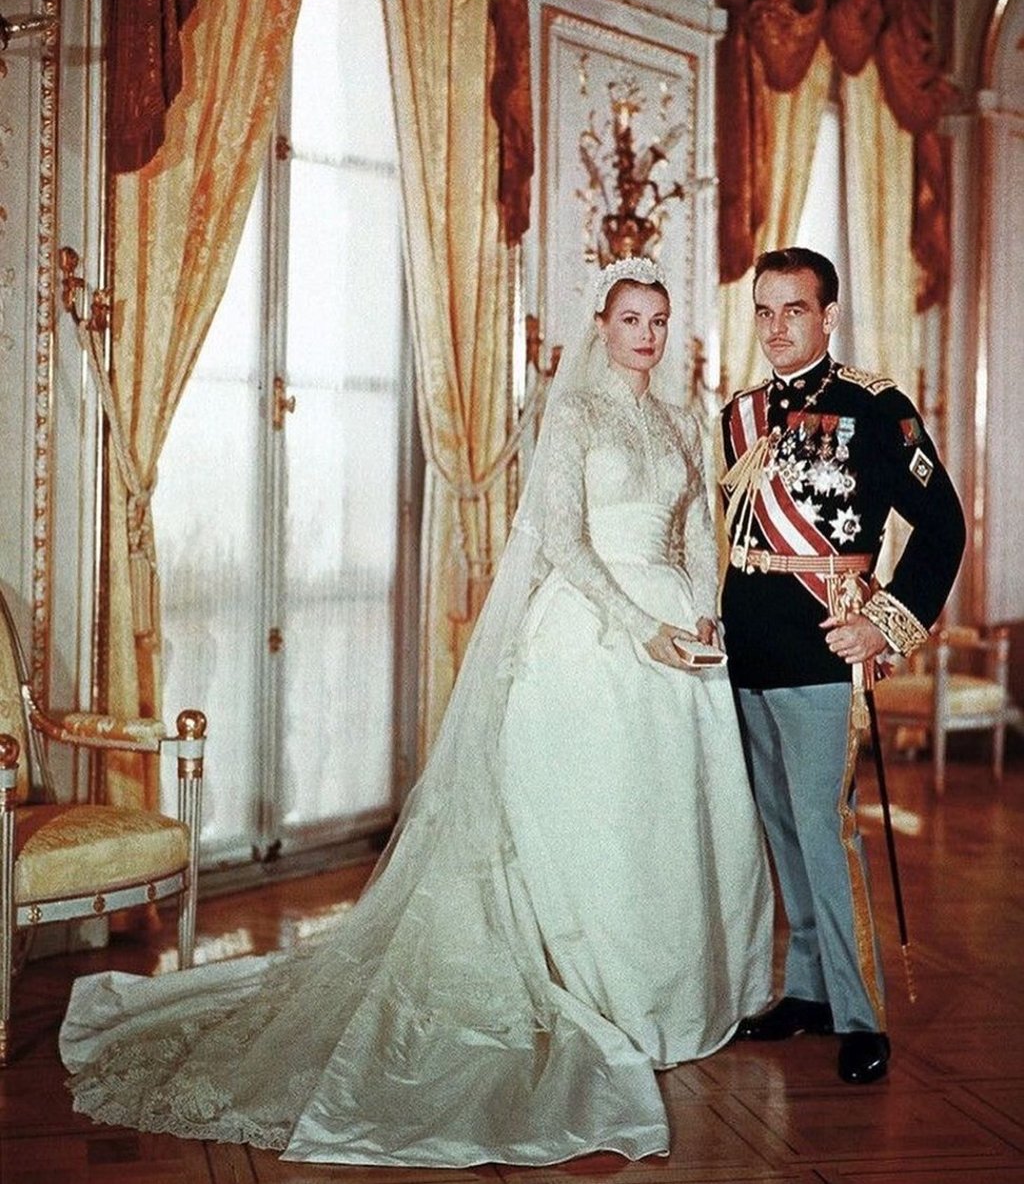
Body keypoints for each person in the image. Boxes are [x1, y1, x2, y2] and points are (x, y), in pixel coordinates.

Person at [59, 256, 774, 1167]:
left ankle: (677, 996)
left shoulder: (680, 421)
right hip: (594, 633)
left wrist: (699, 609)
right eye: (630, 319)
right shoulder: (578, 414)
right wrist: (639, 625)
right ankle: (600, 996)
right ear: (602, 325)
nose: (646, 335)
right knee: (601, 814)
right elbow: (563, 536)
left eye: (659, 321)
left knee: (674, 817)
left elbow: (694, 534)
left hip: (680, 633)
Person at [718, 246, 966, 1086]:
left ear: (828, 316)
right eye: (764, 311)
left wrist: (886, 625)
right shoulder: (740, 415)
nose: (777, 327)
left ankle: (861, 1015)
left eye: (794, 310)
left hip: (823, 647)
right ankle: (810, 991)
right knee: (783, 828)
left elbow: (943, 529)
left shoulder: (875, 407)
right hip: (747, 642)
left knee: (827, 831)